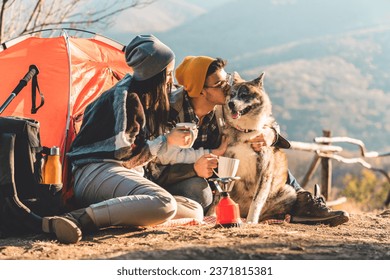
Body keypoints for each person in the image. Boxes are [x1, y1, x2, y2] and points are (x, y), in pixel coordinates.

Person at [41, 35, 215, 244]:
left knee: (194, 210)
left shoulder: (142, 96)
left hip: (121, 175)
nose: (171, 81)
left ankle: (117, 215)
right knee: (165, 204)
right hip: (97, 172)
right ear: (156, 74)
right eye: (168, 73)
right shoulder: (126, 100)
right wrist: (167, 140)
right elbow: (126, 155)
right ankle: (76, 218)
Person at [148, 55, 349, 227]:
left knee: (266, 156)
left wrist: (270, 135)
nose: (228, 86)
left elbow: (260, 119)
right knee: (200, 193)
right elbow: (154, 169)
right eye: (219, 84)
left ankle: (304, 202)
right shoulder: (169, 113)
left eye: (225, 79)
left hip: (217, 172)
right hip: (181, 177)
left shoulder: (223, 108)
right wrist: (193, 169)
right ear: (201, 91)